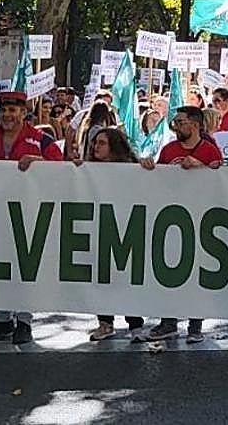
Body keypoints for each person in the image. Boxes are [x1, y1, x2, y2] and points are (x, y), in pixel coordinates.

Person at [0, 90, 64, 344]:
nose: (7, 115)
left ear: (24, 113)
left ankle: (24, 321)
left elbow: (63, 168)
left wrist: (39, 161)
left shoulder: (41, 140)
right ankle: (2, 320)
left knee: (24, 268)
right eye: (4, 110)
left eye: (13, 110)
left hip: (29, 214)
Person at [137, 106, 223, 343]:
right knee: (168, 271)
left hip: (200, 217)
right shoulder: (168, 150)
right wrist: (147, 166)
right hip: (171, 218)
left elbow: (223, 182)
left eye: (180, 122)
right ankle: (168, 322)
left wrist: (202, 168)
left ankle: (195, 325)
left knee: (197, 272)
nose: (175, 126)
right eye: (175, 122)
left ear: (194, 125)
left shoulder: (209, 150)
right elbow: (159, 177)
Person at [80, 129, 146, 341]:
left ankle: (135, 325)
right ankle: (105, 323)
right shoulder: (88, 170)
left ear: (114, 147)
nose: (95, 147)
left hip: (126, 230)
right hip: (99, 229)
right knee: (102, 278)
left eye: (101, 143)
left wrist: (148, 167)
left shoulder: (132, 169)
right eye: (95, 143)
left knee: (126, 278)